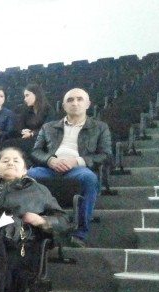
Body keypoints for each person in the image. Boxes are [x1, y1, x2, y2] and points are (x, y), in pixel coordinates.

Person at [0, 148, 68, 292]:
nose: (10, 163)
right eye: (5, 161)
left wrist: (42, 220)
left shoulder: (38, 190)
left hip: (17, 239)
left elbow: (63, 220)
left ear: (25, 169)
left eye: (16, 161)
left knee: (8, 229)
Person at [27, 88, 111, 248]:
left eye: (80, 99)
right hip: (50, 168)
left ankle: (80, 233)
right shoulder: (48, 127)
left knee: (89, 178)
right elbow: (35, 152)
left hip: (78, 169)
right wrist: (50, 160)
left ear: (88, 104)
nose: (75, 103)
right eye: (70, 100)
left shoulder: (100, 127)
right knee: (27, 176)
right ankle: (31, 228)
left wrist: (77, 161)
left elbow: (105, 155)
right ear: (64, 106)